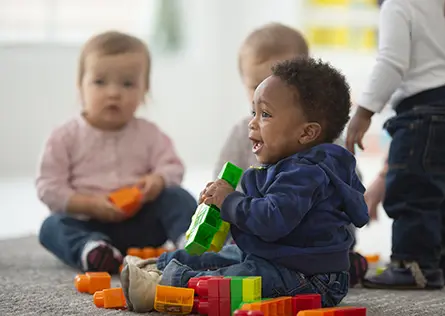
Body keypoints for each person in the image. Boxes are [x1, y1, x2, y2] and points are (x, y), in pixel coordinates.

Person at [120, 57, 369, 313]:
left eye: (266, 115)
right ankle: (157, 266)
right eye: (254, 112)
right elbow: (258, 218)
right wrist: (219, 204)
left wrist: (230, 201)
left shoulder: (306, 174)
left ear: (306, 133)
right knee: (223, 256)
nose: (252, 122)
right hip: (278, 259)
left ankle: (162, 285)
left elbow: (271, 221)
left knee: (234, 277)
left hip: (311, 278)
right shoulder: (290, 165)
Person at [213, 22, 367, 287]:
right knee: (224, 252)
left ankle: (339, 264)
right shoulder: (243, 132)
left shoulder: (325, 147)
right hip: (256, 226)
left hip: (305, 243)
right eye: (255, 87)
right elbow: (223, 183)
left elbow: (350, 196)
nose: (265, 96)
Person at [36, 31, 197, 274]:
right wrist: (89, 204)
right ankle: (93, 251)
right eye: (100, 82)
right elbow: (48, 188)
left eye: (127, 83)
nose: (114, 93)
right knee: (51, 226)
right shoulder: (64, 137)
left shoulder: (149, 133)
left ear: (144, 90)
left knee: (178, 197)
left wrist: (158, 179)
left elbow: (173, 166)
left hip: (140, 225)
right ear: (81, 86)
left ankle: (190, 245)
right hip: (86, 223)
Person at [346, 0, 445, 289]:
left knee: (412, 190)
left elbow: (392, 62)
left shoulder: (398, 5)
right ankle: (443, 262)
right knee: (443, 193)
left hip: (422, 113)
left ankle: (413, 266)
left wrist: (364, 112)